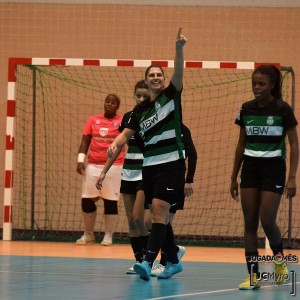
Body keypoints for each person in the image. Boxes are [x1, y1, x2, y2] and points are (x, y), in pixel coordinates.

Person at [98, 27, 187, 281]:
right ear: (146, 81)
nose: (156, 78)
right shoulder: (139, 112)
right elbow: (125, 135)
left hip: (172, 164)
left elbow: (179, 72)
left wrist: (179, 49)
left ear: (163, 78)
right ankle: (172, 260)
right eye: (152, 75)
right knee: (156, 218)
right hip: (149, 167)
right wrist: (114, 144)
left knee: (158, 211)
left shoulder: (171, 96)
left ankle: (148, 262)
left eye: (160, 74)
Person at [230, 64, 299, 290]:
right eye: (254, 83)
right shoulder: (246, 109)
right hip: (250, 169)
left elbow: (294, 144)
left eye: (261, 84)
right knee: (249, 222)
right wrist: (233, 177)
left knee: (267, 220)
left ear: (272, 85)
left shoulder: (283, 109)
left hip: (273, 169)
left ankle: (279, 263)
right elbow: (241, 144)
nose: (256, 88)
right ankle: (253, 276)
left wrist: (292, 177)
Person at [96, 80, 151, 273]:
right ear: (134, 95)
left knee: (141, 219)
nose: (142, 99)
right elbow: (118, 146)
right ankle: (140, 261)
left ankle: (151, 259)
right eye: (139, 95)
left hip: (147, 173)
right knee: (131, 220)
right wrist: (104, 171)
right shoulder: (128, 117)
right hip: (128, 173)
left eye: (146, 95)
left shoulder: (154, 116)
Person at [76, 93, 124, 246]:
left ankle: (108, 236)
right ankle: (88, 234)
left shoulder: (122, 121)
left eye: (113, 103)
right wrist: (80, 160)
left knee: (111, 200)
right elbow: (85, 142)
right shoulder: (93, 120)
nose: (109, 104)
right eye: (107, 101)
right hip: (93, 165)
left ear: (118, 106)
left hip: (114, 166)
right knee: (87, 199)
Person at [150, 123, 198, 276]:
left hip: (175, 182)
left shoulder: (182, 130)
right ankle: (174, 252)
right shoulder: (157, 128)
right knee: (156, 222)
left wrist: (189, 180)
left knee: (163, 222)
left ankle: (165, 262)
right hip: (158, 180)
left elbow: (193, 154)